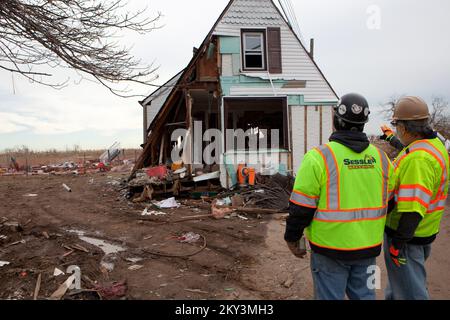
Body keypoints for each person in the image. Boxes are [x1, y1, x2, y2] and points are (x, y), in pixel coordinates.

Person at [284, 93, 395, 300]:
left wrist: (291, 237)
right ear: (364, 123)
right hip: (368, 250)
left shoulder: (318, 157)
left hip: (329, 250)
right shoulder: (382, 158)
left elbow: (301, 208)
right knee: (365, 296)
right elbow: (390, 203)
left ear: (336, 119)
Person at [384, 96, 449, 300]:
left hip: (407, 238)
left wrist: (397, 244)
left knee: (411, 292)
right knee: (400, 286)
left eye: (396, 126)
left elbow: (413, 208)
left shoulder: (419, 160)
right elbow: (408, 148)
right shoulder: (433, 145)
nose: (396, 130)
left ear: (404, 128)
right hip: (422, 232)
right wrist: (390, 139)